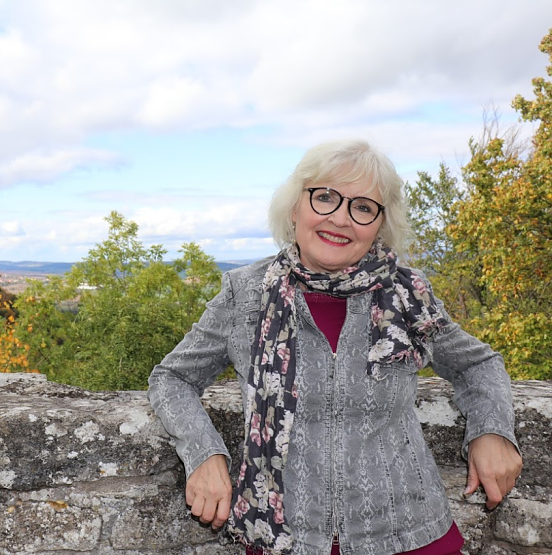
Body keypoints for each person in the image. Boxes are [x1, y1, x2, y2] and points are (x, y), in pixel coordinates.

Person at [147, 139, 522, 555]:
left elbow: (478, 364)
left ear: (380, 224)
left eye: (363, 207)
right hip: (283, 539)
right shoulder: (245, 294)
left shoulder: (407, 295)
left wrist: (492, 430)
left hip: (409, 535)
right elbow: (172, 378)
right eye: (325, 197)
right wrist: (204, 452)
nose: (341, 218)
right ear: (295, 209)